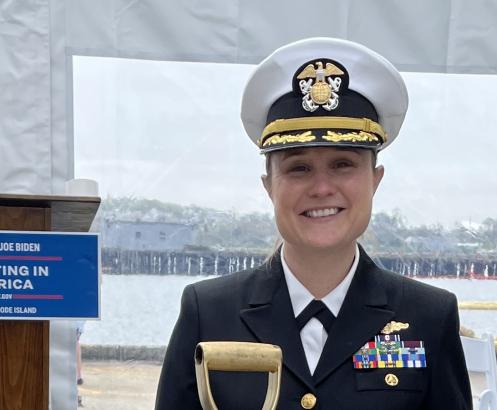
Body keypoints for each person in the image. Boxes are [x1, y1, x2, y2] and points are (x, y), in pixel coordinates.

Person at [155, 37, 472, 410]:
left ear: (376, 179)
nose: (322, 188)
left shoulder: (428, 317)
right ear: (269, 186)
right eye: (298, 168)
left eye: (343, 164)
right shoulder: (208, 313)